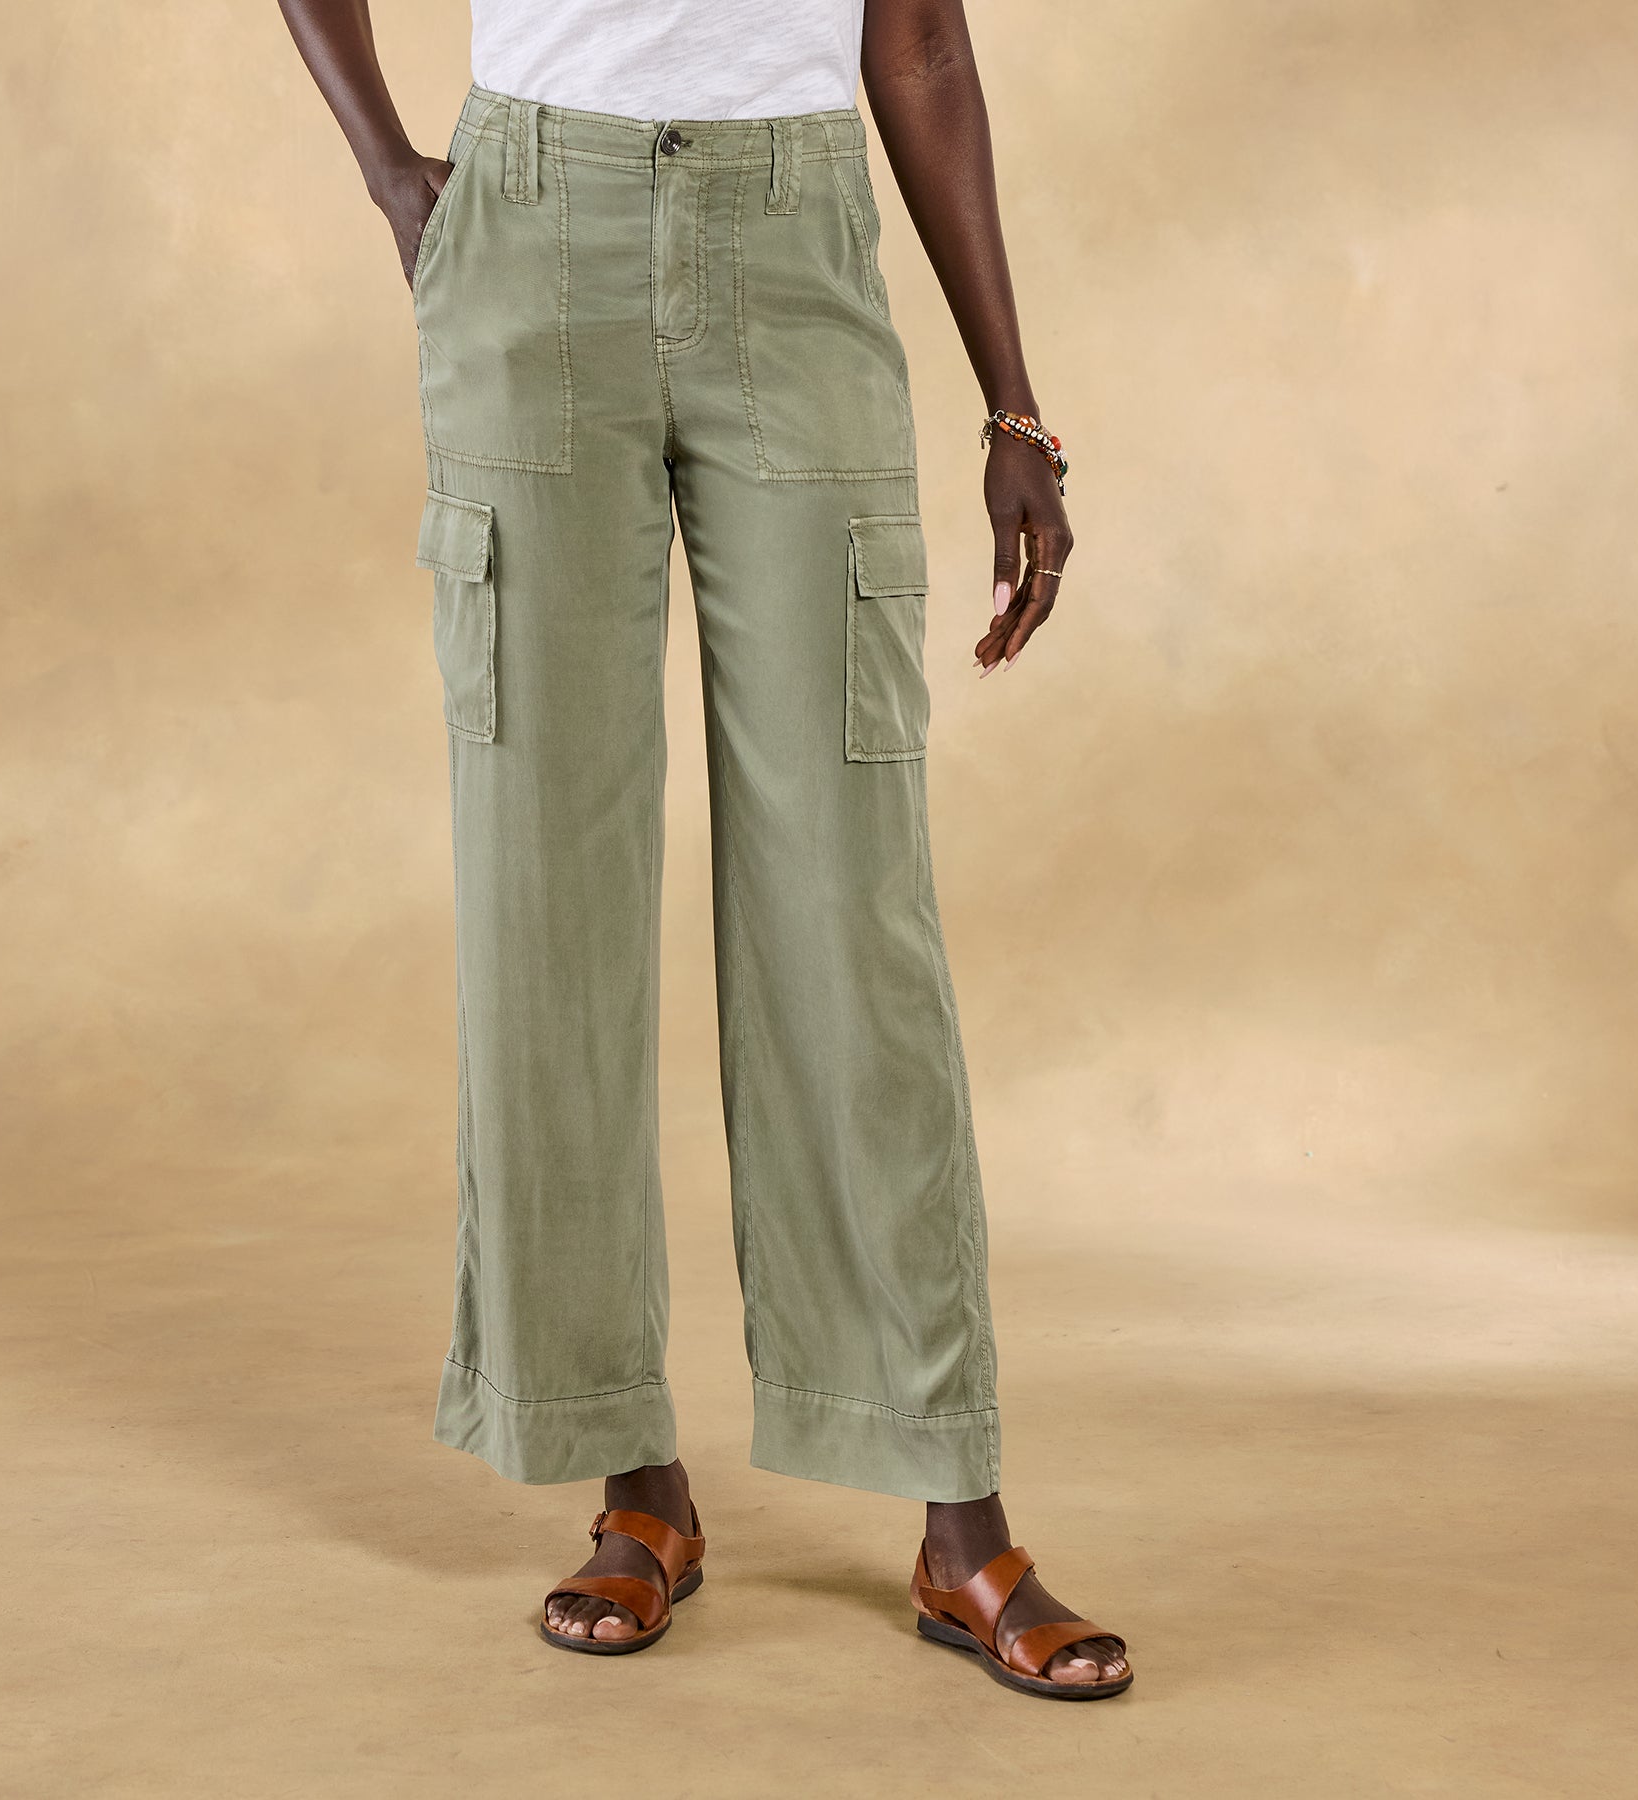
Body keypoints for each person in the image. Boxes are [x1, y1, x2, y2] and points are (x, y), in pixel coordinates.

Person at [278, 0, 1131, 1699]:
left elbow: (920, 45)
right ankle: (632, 1482)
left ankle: (956, 1512)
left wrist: (1015, 407)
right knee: (549, 894)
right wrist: (390, 171)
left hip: (794, 241)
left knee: (850, 904)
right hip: (530, 240)